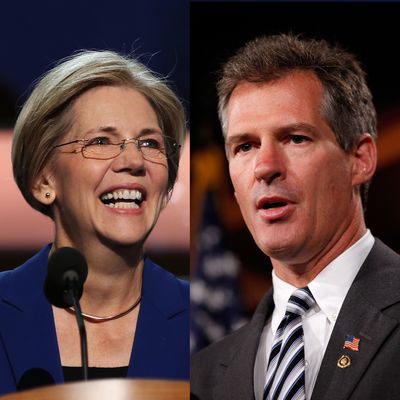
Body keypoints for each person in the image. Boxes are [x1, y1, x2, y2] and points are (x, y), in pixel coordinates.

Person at [191, 33, 400, 400]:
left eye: (295, 138)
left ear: (361, 159)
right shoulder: (203, 375)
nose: (265, 167)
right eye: (245, 146)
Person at [0, 50, 189, 395]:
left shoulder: (206, 322)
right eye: (101, 141)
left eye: (149, 143)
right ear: (44, 181)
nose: (134, 161)